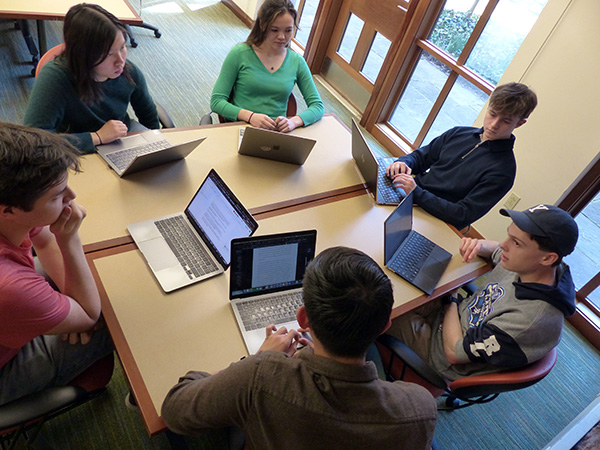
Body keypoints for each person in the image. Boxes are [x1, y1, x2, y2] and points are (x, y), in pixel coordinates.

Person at [161, 247, 437, 450]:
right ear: (385, 325)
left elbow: (174, 411)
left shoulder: (259, 378)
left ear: (303, 319)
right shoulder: (421, 409)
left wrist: (261, 359)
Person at [388, 204, 578, 382]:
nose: (504, 245)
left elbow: (454, 353)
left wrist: (451, 300)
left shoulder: (527, 321)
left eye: (517, 243)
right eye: (508, 236)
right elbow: (495, 249)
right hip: (451, 315)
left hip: (440, 353)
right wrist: (478, 245)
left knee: (380, 309)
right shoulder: (535, 267)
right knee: (395, 282)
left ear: (547, 258)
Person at [0, 123, 113, 405]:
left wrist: (71, 301)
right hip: (4, 372)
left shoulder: (10, 211)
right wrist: (70, 239)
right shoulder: (11, 286)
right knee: (114, 320)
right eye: (57, 196)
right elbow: (90, 315)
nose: (72, 198)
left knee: (91, 296)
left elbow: (45, 241)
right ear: (10, 211)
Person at [386, 82, 537, 231]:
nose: (493, 125)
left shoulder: (503, 171)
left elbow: (462, 215)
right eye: (492, 114)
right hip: (409, 198)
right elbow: (420, 157)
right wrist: (403, 163)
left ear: (519, 124)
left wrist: (416, 192)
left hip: (437, 222)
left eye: (505, 121)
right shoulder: (458, 133)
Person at [23, 3, 160, 154]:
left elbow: (148, 114)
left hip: (119, 141)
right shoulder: (56, 77)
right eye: (109, 54)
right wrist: (97, 137)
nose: (120, 60)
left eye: (122, 47)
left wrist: (155, 147)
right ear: (84, 56)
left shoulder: (128, 71)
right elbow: (35, 141)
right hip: (72, 149)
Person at [210, 0, 324, 133]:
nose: (282, 37)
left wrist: (293, 121)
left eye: (288, 30)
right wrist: (251, 117)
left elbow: (318, 106)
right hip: (240, 127)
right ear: (263, 25)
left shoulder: (297, 61)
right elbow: (217, 101)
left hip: (276, 132)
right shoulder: (240, 53)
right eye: (274, 30)